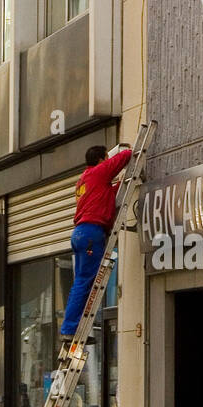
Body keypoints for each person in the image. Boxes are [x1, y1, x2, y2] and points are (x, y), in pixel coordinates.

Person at [62, 143, 132, 338]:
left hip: (80, 233)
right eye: (106, 160)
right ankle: (70, 328)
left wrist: (123, 183)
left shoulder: (84, 180)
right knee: (85, 282)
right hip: (91, 232)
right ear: (102, 159)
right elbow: (125, 156)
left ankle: (73, 326)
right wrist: (127, 150)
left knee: (83, 281)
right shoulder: (98, 172)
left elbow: (107, 193)